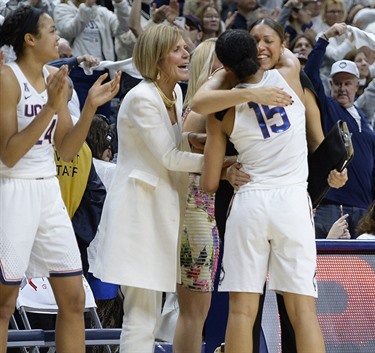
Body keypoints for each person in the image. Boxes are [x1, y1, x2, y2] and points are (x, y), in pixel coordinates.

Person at [0, 6, 120, 353]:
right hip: (14, 189)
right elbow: (8, 154)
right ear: (30, 39)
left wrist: (89, 108)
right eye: (52, 31)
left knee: (73, 299)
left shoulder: (58, 80)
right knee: (5, 303)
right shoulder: (8, 80)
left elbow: (67, 150)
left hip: (48, 190)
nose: (59, 37)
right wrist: (52, 107)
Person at [200, 28, 325, 353]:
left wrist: (229, 171)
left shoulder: (221, 111)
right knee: (303, 313)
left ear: (224, 67)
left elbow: (209, 183)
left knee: (242, 312)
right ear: (257, 53)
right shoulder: (289, 73)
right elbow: (281, 49)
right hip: (293, 203)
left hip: (249, 204)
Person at [88, 23, 204, 353]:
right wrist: (217, 162)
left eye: (186, 47)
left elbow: (176, 143)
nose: (187, 54)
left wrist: (201, 142)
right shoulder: (141, 98)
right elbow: (169, 156)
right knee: (141, 315)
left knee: (150, 315)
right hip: (138, 215)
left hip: (160, 212)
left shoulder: (175, 93)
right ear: (156, 59)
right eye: (178, 50)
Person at [304, 22, 375, 238]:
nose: (342, 88)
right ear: (330, 85)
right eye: (337, 83)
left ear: (357, 85)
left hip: (366, 209)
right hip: (331, 205)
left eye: (347, 83)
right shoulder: (327, 109)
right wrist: (324, 39)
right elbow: (310, 75)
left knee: (361, 269)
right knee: (331, 264)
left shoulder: (365, 121)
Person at [174, 38, 222, 353]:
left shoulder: (211, 104)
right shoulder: (199, 109)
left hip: (207, 215)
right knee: (193, 314)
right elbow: (185, 148)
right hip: (196, 215)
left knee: (198, 313)